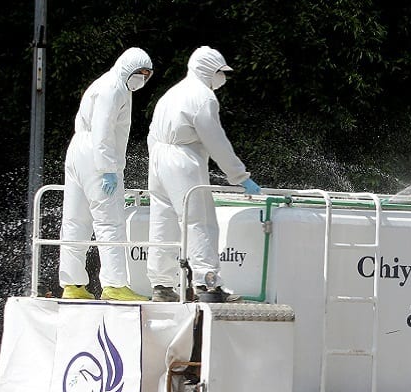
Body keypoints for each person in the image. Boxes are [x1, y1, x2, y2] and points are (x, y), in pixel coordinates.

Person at [146, 46, 260, 303]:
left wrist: (159, 160)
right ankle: (207, 284)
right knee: (200, 221)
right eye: (222, 72)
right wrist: (240, 176)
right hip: (182, 161)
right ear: (210, 70)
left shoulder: (172, 93)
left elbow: (152, 133)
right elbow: (216, 141)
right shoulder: (203, 97)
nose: (223, 78)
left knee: (162, 221)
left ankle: (162, 286)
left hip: (158, 158)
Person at [58, 47, 153, 301]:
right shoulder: (115, 88)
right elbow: (102, 131)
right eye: (139, 72)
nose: (142, 78)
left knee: (75, 221)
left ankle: (72, 284)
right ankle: (114, 284)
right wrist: (107, 169)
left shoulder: (107, 83)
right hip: (96, 154)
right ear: (127, 68)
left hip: (78, 150)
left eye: (147, 74)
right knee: (109, 221)